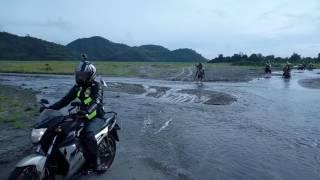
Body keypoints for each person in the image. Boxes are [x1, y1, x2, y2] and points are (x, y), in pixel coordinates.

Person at [42, 54, 107, 174]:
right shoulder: (78, 87)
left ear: (90, 75)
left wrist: (87, 110)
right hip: (80, 115)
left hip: (95, 116)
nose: (80, 77)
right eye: (79, 75)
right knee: (60, 129)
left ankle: (97, 163)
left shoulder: (96, 86)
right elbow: (65, 100)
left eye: (83, 75)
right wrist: (48, 108)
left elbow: (96, 101)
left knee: (87, 135)